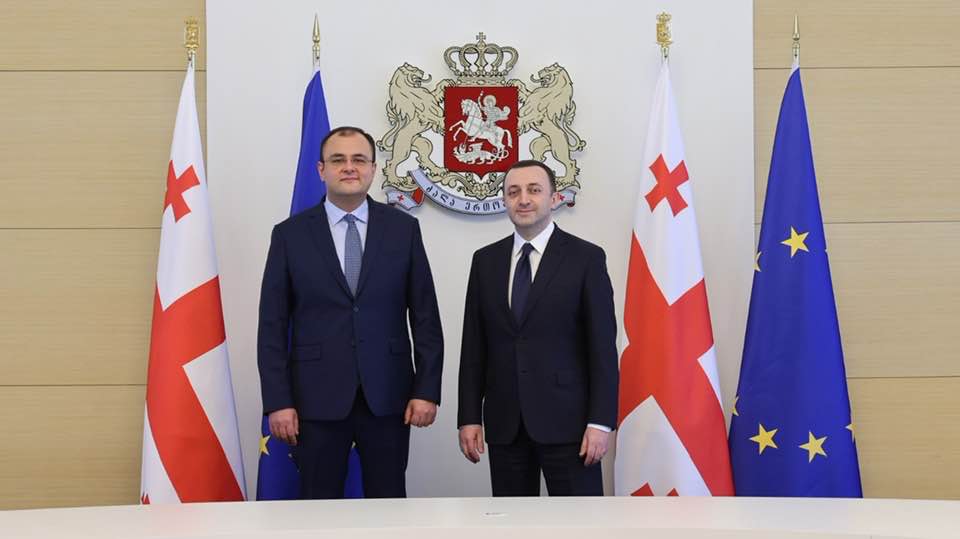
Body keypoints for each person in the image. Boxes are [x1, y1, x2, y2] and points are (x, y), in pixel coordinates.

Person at [258, 126, 443, 499]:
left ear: (373, 169)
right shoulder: (290, 235)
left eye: (359, 159)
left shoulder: (403, 230)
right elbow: (272, 327)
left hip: (389, 397)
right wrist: (278, 401)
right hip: (315, 399)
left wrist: (427, 390)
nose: (349, 167)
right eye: (338, 159)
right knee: (319, 505)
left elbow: (425, 317)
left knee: (388, 504)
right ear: (321, 169)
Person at [457, 159, 619, 496]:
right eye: (513, 192)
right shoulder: (485, 261)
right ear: (504, 200)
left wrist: (600, 422)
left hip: (571, 425)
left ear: (553, 198)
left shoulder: (586, 258)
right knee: (512, 521)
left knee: (581, 521)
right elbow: (474, 348)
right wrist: (469, 416)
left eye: (534, 190)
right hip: (506, 424)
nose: (523, 199)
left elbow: (602, 348)